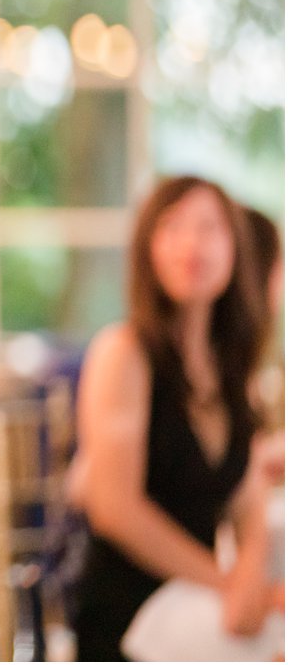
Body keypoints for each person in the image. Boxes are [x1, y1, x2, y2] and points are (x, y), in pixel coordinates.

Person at [68, 176, 276, 659]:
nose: (192, 244)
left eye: (210, 228)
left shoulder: (233, 368)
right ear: (148, 248)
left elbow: (249, 497)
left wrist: (251, 573)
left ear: (235, 248)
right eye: (173, 226)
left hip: (199, 600)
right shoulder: (123, 354)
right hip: (131, 610)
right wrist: (227, 583)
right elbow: (114, 508)